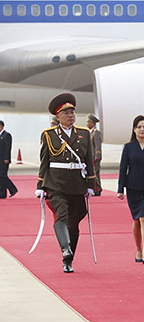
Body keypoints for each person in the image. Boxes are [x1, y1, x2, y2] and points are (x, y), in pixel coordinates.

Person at [35, 93, 96, 273]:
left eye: (72, 112)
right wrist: (40, 186)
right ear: (58, 116)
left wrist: (91, 185)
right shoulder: (49, 135)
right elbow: (44, 161)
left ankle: (69, 258)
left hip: (77, 184)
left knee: (74, 224)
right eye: (66, 112)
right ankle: (65, 249)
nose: (70, 115)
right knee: (61, 214)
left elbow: (89, 159)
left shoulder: (84, 134)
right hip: (56, 184)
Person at [117, 115, 144, 264]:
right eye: (139, 127)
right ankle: (138, 249)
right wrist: (120, 189)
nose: (142, 129)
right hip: (132, 187)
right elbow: (122, 168)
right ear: (134, 129)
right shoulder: (128, 147)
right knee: (136, 220)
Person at [0, 121, 18, 198]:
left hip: (4, 159)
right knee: (1, 177)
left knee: (3, 175)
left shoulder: (6, 135)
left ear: (1, 126)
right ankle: (2, 194)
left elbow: (8, 147)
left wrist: (7, 158)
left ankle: (13, 189)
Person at [87, 114, 103, 196]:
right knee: (94, 173)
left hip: (95, 157)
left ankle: (98, 189)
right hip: (92, 157)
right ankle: (96, 188)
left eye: (89, 122)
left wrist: (97, 156)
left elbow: (98, 145)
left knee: (95, 173)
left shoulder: (96, 133)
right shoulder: (91, 132)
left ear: (93, 123)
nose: (87, 124)